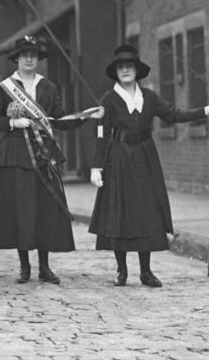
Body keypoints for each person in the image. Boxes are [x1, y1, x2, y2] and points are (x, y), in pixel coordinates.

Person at [0, 36, 103, 284]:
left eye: (34, 55)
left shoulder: (48, 87)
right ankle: (24, 267)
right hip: (15, 156)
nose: (29, 58)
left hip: (43, 156)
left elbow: (58, 119)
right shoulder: (4, 88)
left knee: (44, 210)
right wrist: (12, 123)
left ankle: (45, 268)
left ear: (38, 59)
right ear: (16, 58)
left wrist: (85, 116)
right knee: (21, 210)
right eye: (25, 54)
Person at [89, 45, 209, 288]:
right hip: (119, 158)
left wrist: (205, 111)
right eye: (121, 68)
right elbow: (102, 135)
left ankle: (146, 271)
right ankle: (121, 271)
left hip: (145, 157)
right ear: (116, 72)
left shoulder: (150, 98)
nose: (125, 71)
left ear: (136, 71)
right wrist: (96, 168)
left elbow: (175, 114)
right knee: (120, 212)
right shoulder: (108, 100)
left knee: (146, 211)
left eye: (129, 67)